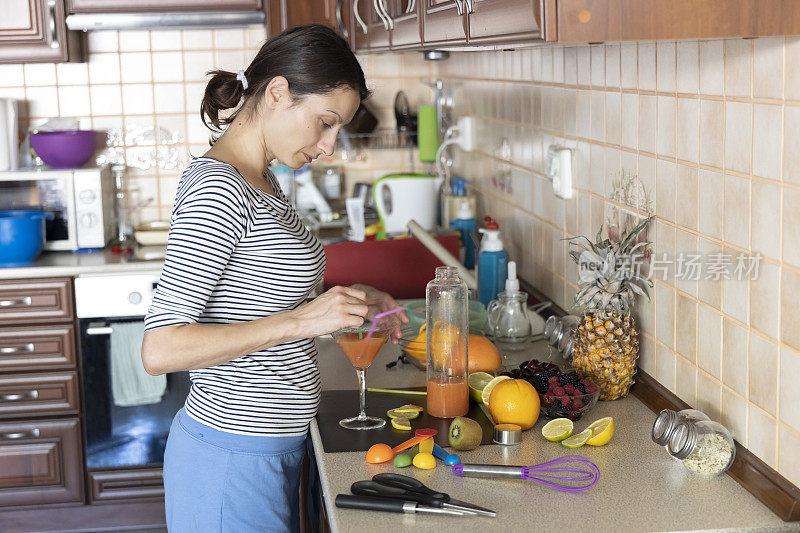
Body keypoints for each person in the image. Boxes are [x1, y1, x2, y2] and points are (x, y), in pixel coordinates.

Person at [141, 24, 405, 532]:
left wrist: (338, 302)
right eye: (324, 123)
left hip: (269, 449)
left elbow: (256, 293)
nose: (329, 145)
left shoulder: (262, 178)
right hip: (229, 461)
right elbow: (161, 350)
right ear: (278, 92)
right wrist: (304, 320)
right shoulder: (219, 189)